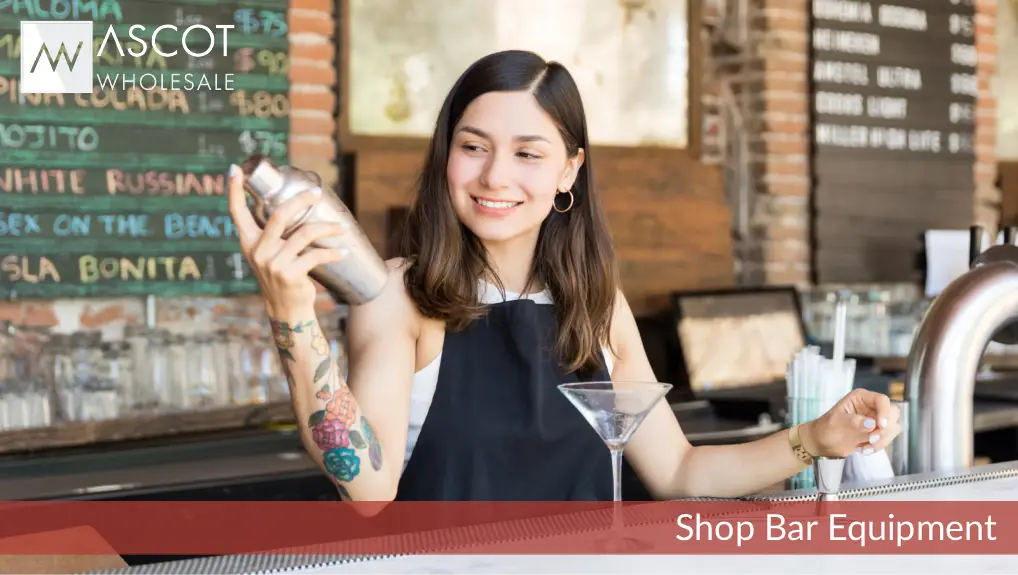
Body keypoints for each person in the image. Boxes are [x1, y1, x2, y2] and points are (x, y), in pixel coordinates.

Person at [227, 50, 901, 503]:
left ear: (568, 171)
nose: (494, 176)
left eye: (527, 152)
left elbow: (680, 470)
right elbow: (366, 489)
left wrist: (815, 438)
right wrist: (292, 316)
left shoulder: (597, 304)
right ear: (446, 156)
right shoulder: (399, 295)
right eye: (473, 147)